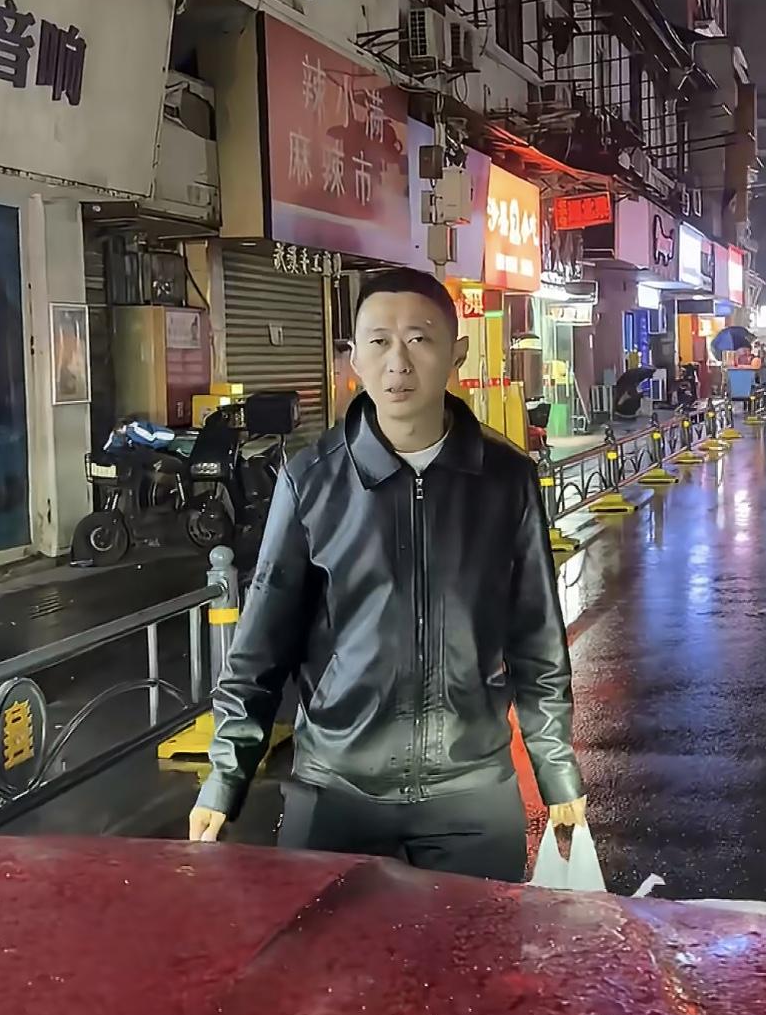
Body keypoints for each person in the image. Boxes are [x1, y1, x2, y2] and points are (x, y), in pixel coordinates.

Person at [188, 266, 587, 881]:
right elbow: (260, 647)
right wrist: (225, 777)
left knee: (475, 946)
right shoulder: (311, 480)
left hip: (472, 794)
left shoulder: (505, 479)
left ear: (456, 353)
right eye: (378, 341)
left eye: (419, 339)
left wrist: (555, 768)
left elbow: (536, 636)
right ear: (354, 357)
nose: (397, 361)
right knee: (327, 948)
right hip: (335, 790)